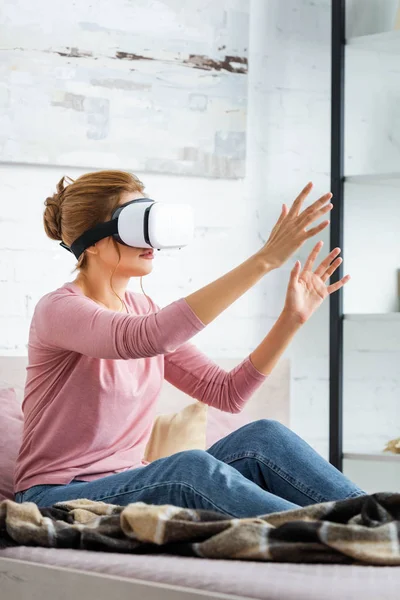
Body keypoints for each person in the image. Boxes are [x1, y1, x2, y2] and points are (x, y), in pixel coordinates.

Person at [13, 170, 365, 516]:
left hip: (130, 480)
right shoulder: (58, 310)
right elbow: (148, 337)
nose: (151, 241)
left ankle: (379, 519)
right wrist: (264, 261)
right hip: (56, 495)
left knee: (264, 436)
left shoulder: (143, 310)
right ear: (92, 241)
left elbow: (227, 392)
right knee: (188, 468)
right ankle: (332, 535)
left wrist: (291, 320)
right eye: (136, 225)